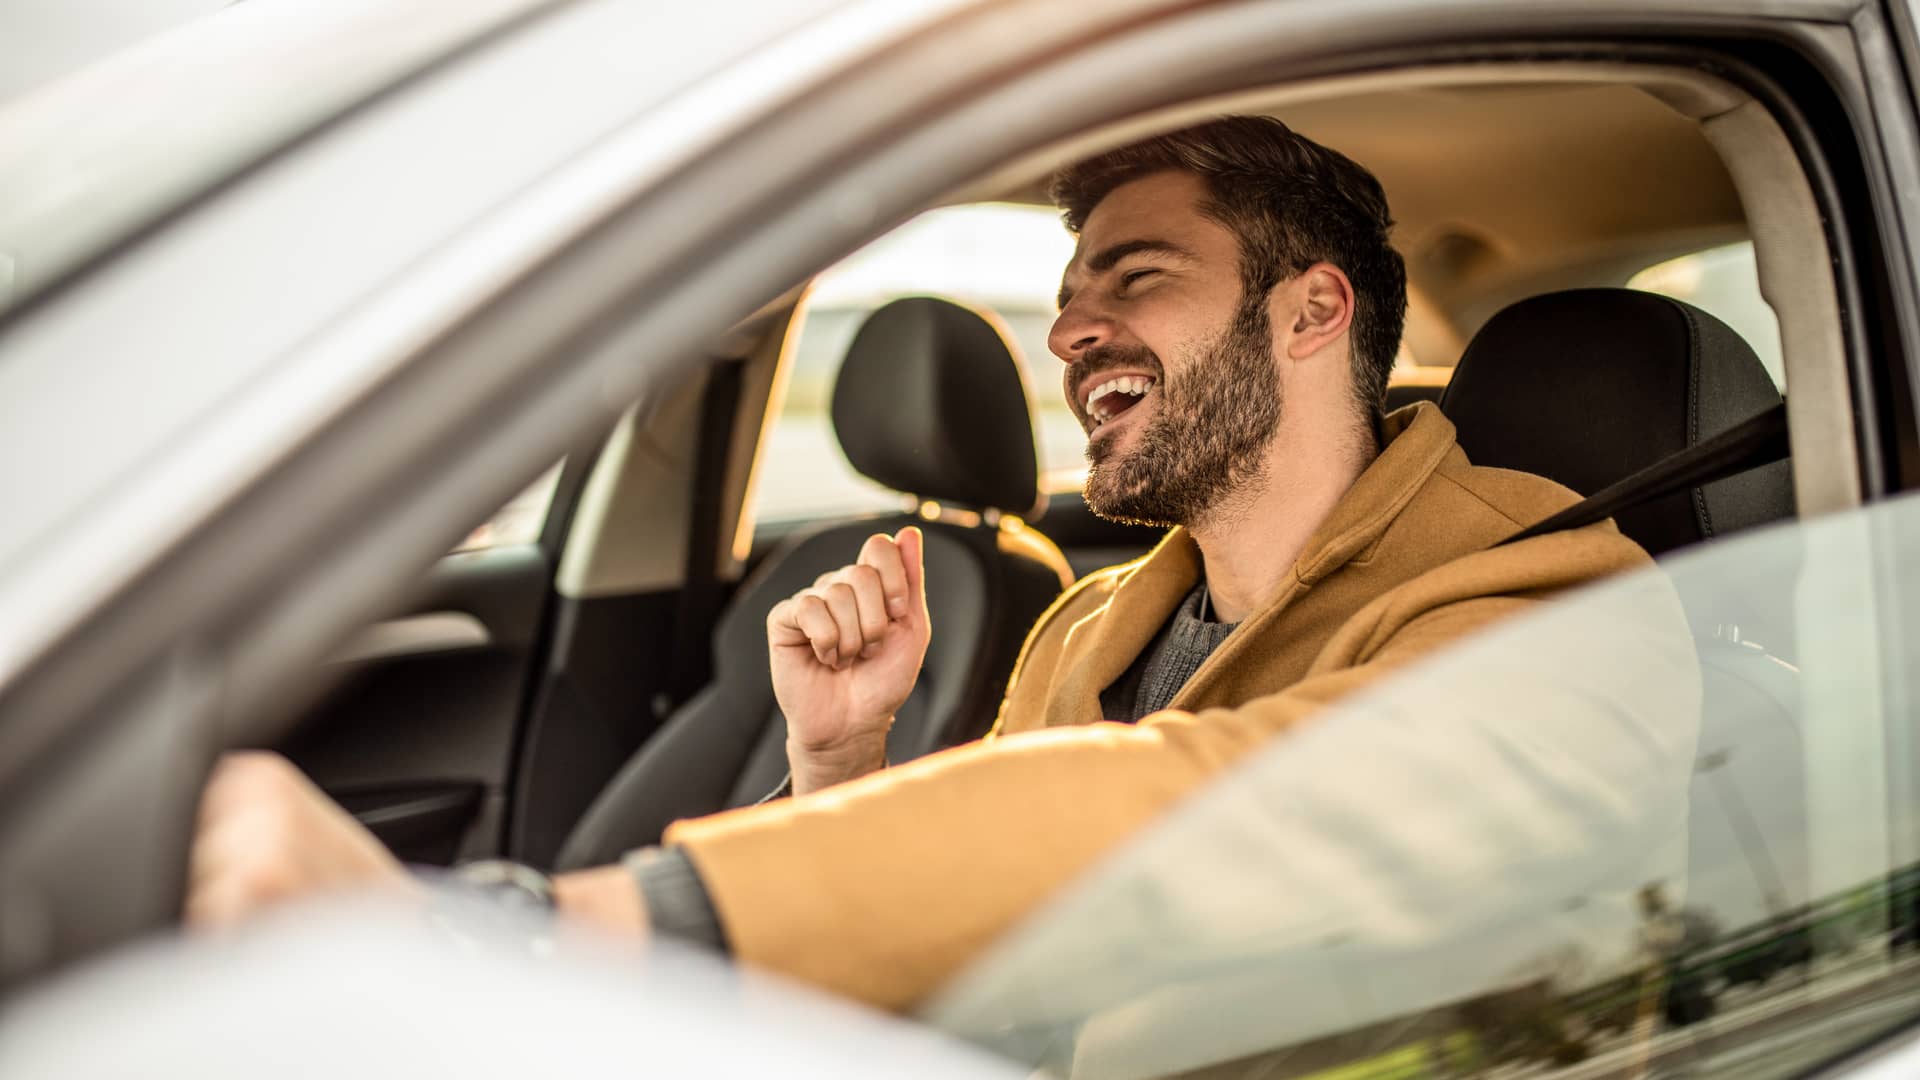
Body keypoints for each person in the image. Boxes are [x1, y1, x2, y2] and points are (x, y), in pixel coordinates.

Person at [185, 116, 1670, 1013]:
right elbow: (989, 935)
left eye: (1137, 277)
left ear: (1309, 312)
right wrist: (843, 760)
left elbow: (1213, 834)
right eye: (1068, 293)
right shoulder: (1091, 624)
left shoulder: (1561, 603)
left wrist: (548, 932)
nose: (1071, 331)